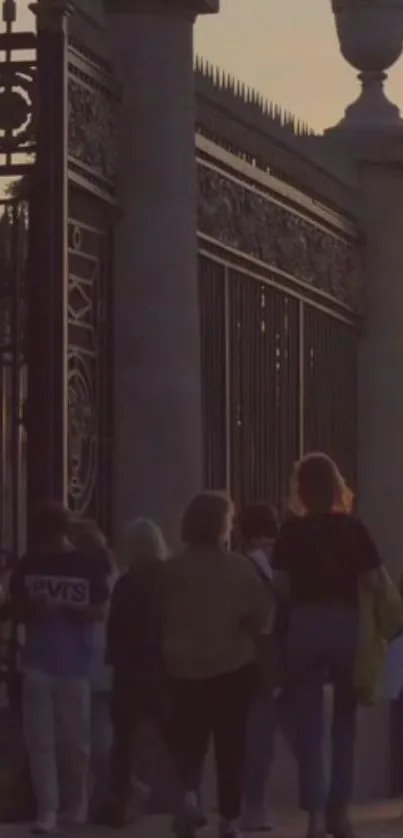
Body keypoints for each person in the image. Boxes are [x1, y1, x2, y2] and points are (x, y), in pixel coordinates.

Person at [272, 453, 384, 838]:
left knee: (309, 725)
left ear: (300, 490)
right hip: (346, 624)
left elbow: (282, 590)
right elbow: (376, 583)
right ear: (338, 487)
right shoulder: (354, 529)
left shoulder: (290, 533)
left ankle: (315, 817)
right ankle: (340, 812)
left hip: (305, 623)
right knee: (344, 724)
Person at [164, 491, 268, 838]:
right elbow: (258, 618)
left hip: (181, 667)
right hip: (232, 667)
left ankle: (190, 797)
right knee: (231, 745)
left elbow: (157, 616)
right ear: (224, 526)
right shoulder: (240, 569)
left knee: (188, 742)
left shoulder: (171, 570)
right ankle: (229, 818)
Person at [9, 502, 109, 835]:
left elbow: (98, 610)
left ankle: (74, 804)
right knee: (46, 739)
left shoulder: (86, 565)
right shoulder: (30, 563)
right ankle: (49, 808)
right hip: (42, 661)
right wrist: (34, 609)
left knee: (72, 740)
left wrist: (66, 608)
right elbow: (14, 607)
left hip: (72, 663)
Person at [104, 517, 169, 827]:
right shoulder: (169, 580)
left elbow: (114, 630)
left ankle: (121, 797)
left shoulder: (125, 584)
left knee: (123, 739)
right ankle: (187, 796)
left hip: (129, 670)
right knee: (177, 736)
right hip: (163, 668)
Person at [237, 502, 294, 832]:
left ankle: (254, 808)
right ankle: (324, 803)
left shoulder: (246, 565)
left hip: (261, 660)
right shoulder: (286, 557)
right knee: (304, 738)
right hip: (292, 657)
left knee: (258, 740)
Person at [70, 519, 119, 819]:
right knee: (101, 731)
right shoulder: (115, 577)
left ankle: (86, 797)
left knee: (80, 735)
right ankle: (105, 791)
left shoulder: (81, 578)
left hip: (80, 660)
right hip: (107, 661)